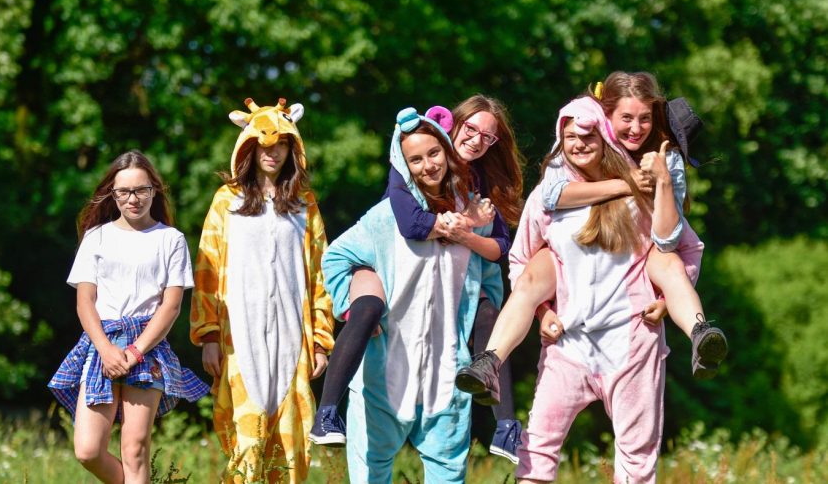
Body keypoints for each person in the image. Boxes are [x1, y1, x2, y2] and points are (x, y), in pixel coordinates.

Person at [457, 72, 727, 409]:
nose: (636, 128)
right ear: (605, 115)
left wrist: (662, 182)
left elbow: (669, 238)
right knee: (530, 277)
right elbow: (551, 193)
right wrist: (627, 184)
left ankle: (701, 335)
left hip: (639, 254)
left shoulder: (665, 157)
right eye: (626, 118)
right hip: (572, 251)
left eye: (645, 119)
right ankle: (489, 361)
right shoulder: (583, 134)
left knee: (669, 263)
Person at [310, 95, 526, 463]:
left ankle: (505, 424)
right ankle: (328, 411)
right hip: (387, 275)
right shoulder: (409, 163)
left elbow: (499, 249)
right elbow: (411, 224)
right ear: (451, 126)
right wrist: (466, 222)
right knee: (368, 305)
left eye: (487, 137)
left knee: (491, 314)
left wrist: (468, 232)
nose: (476, 140)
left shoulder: (478, 187)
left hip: (446, 311)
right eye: (470, 129)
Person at [512, 97, 694, 482]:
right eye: (570, 137)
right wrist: (543, 312)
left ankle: (699, 330)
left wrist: (665, 301)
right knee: (536, 447)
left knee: (637, 456)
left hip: (631, 340)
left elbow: (685, 247)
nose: (580, 144)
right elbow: (519, 259)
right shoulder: (548, 196)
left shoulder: (640, 191)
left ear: (604, 137)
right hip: (568, 343)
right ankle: (490, 360)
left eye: (589, 136)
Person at [189, 98, 335, 483]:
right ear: (249, 147)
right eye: (264, 145)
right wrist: (208, 335)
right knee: (246, 441)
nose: (273, 152)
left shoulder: (305, 204)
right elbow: (207, 268)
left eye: (282, 144)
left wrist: (322, 340)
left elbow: (321, 273)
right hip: (239, 336)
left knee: (290, 445)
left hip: (292, 337)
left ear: (293, 148)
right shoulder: (226, 200)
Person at [48, 150, 208, 484]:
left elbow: (171, 306)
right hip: (102, 344)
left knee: (134, 449)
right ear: (113, 193)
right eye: (124, 192)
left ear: (154, 191)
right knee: (88, 450)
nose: (133, 199)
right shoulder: (96, 237)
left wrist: (135, 351)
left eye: (141, 190)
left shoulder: (171, 240)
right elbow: (85, 302)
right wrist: (106, 349)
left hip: (147, 347)